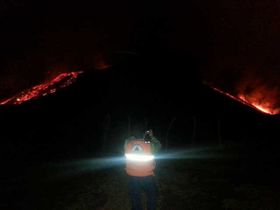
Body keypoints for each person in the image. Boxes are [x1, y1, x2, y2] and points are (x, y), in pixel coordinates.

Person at [124, 129, 161, 210]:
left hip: (132, 176)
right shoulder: (150, 145)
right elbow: (158, 145)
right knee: (152, 196)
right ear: (144, 134)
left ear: (133, 135)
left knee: (135, 196)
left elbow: (127, 140)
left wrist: (132, 137)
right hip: (147, 176)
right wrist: (151, 136)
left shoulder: (128, 144)